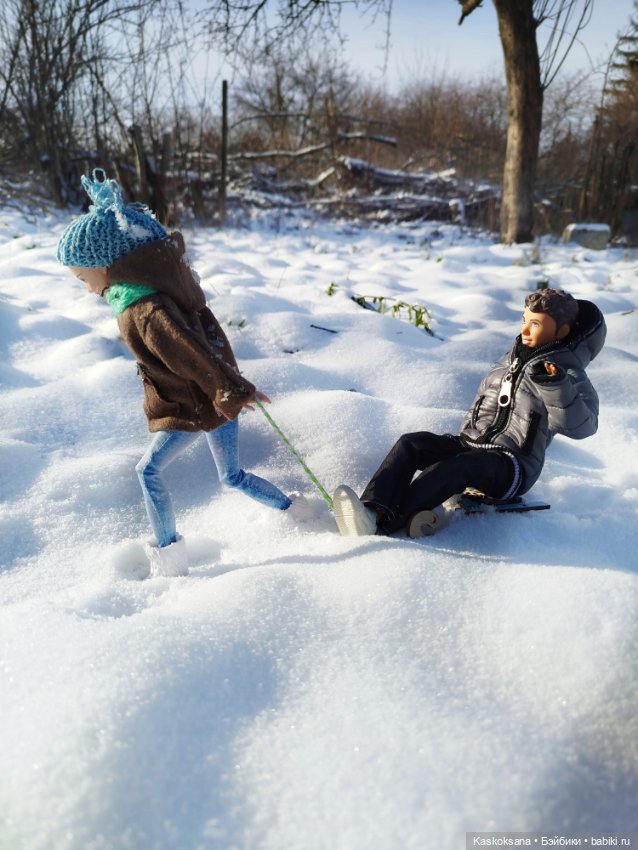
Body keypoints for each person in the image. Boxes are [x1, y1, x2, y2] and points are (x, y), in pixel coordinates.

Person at [57, 168, 294, 576]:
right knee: (232, 476)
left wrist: (230, 389)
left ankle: (170, 557)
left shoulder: (143, 309)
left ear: (106, 265)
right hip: (211, 396)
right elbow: (200, 343)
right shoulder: (158, 289)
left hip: (196, 403)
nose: (85, 288)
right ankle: (297, 512)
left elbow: (188, 352)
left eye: (83, 277)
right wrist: (230, 387)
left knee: (147, 471)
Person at [332, 288, 606, 538]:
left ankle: (387, 525)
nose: (525, 329)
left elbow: (582, 426)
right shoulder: (512, 358)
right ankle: (374, 510)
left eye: (535, 324)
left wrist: (555, 384)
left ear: (561, 332)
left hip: (513, 465)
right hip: (473, 445)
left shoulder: (566, 374)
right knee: (412, 443)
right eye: (524, 320)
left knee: (455, 468)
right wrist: (467, 436)